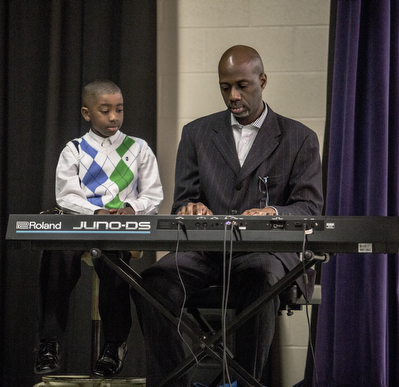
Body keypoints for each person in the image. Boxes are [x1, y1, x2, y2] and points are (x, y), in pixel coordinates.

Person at [132, 45, 324, 386]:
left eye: (241, 86)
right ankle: (180, 379)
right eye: (225, 87)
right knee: (152, 284)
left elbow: (309, 208)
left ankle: (238, 381)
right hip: (205, 254)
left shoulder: (299, 139)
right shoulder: (196, 134)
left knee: (262, 280)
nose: (233, 95)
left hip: (263, 256)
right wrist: (191, 208)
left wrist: (272, 211)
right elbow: (183, 202)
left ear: (262, 81)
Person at [35, 80, 163, 377]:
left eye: (119, 110)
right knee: (57, 255)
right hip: (82, 223)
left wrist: (131, 208)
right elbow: (66, 196)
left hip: (118, 229)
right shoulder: (75, 149)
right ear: (86, 113)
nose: (114, 117)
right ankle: (49, 341)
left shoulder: (138, 148)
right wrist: (96, 211)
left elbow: (153, 195)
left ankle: (114, 344)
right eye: (105, 111)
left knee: (115, 264)